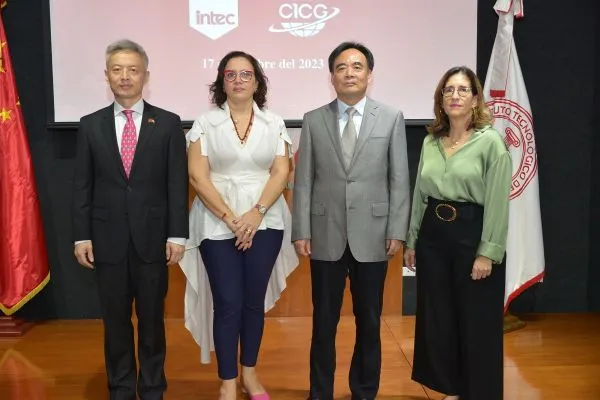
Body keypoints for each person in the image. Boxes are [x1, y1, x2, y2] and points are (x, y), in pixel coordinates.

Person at [292, 41, 410, 400]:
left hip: (373, 236)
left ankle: (364, 391)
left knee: (370, 322)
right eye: (341, 67)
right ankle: (320, 392)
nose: (349, 73)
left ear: (369, 75)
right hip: (325, 234)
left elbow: (399, 178)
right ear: (332, 76)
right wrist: (301, 229)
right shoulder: (313, 120)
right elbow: (304, 180)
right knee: (323, 323)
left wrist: (396, 230)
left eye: (357, 66)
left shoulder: (390, 117)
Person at [72, 39, 188, 400]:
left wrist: (178, 235)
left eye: (133, 70)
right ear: (107, 75)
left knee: (152, 322)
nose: (125, 77)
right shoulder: (89, 125)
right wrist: (81, 236)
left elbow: (176, 184)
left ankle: (153, 387)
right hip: (107, 242)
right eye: (117, 70)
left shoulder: (167, 124)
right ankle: (121, 387)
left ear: (146, 75)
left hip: (153, 241)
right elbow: (82, 186)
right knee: (116, 323)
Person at [179, 50, 299, 400]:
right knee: (228, 301)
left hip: (267, 220)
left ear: (257, 82)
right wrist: (233, 219)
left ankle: (250, 374)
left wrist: (256, 213)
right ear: (221, 82)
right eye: (230, 74)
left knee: (252, 302)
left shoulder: (274, 123)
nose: (238, 80)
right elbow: (198, 177)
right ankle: (227, 381)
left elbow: (281, 171)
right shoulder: (204, 123)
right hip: (216, 224)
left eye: (246, 74)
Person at [404, 66, 511, 400]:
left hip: (472, 234)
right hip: (434, 237)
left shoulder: (490, 142)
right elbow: (420, 194)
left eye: (463, 90)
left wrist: (487, 252)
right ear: (440, 98)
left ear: (475, 98)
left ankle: (478, 391)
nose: (455, 96)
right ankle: (452, 388)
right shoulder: (430, 141)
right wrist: (412, 240)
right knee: (440, 318)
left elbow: (497, 202)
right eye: (448, 90)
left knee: (476, 320)